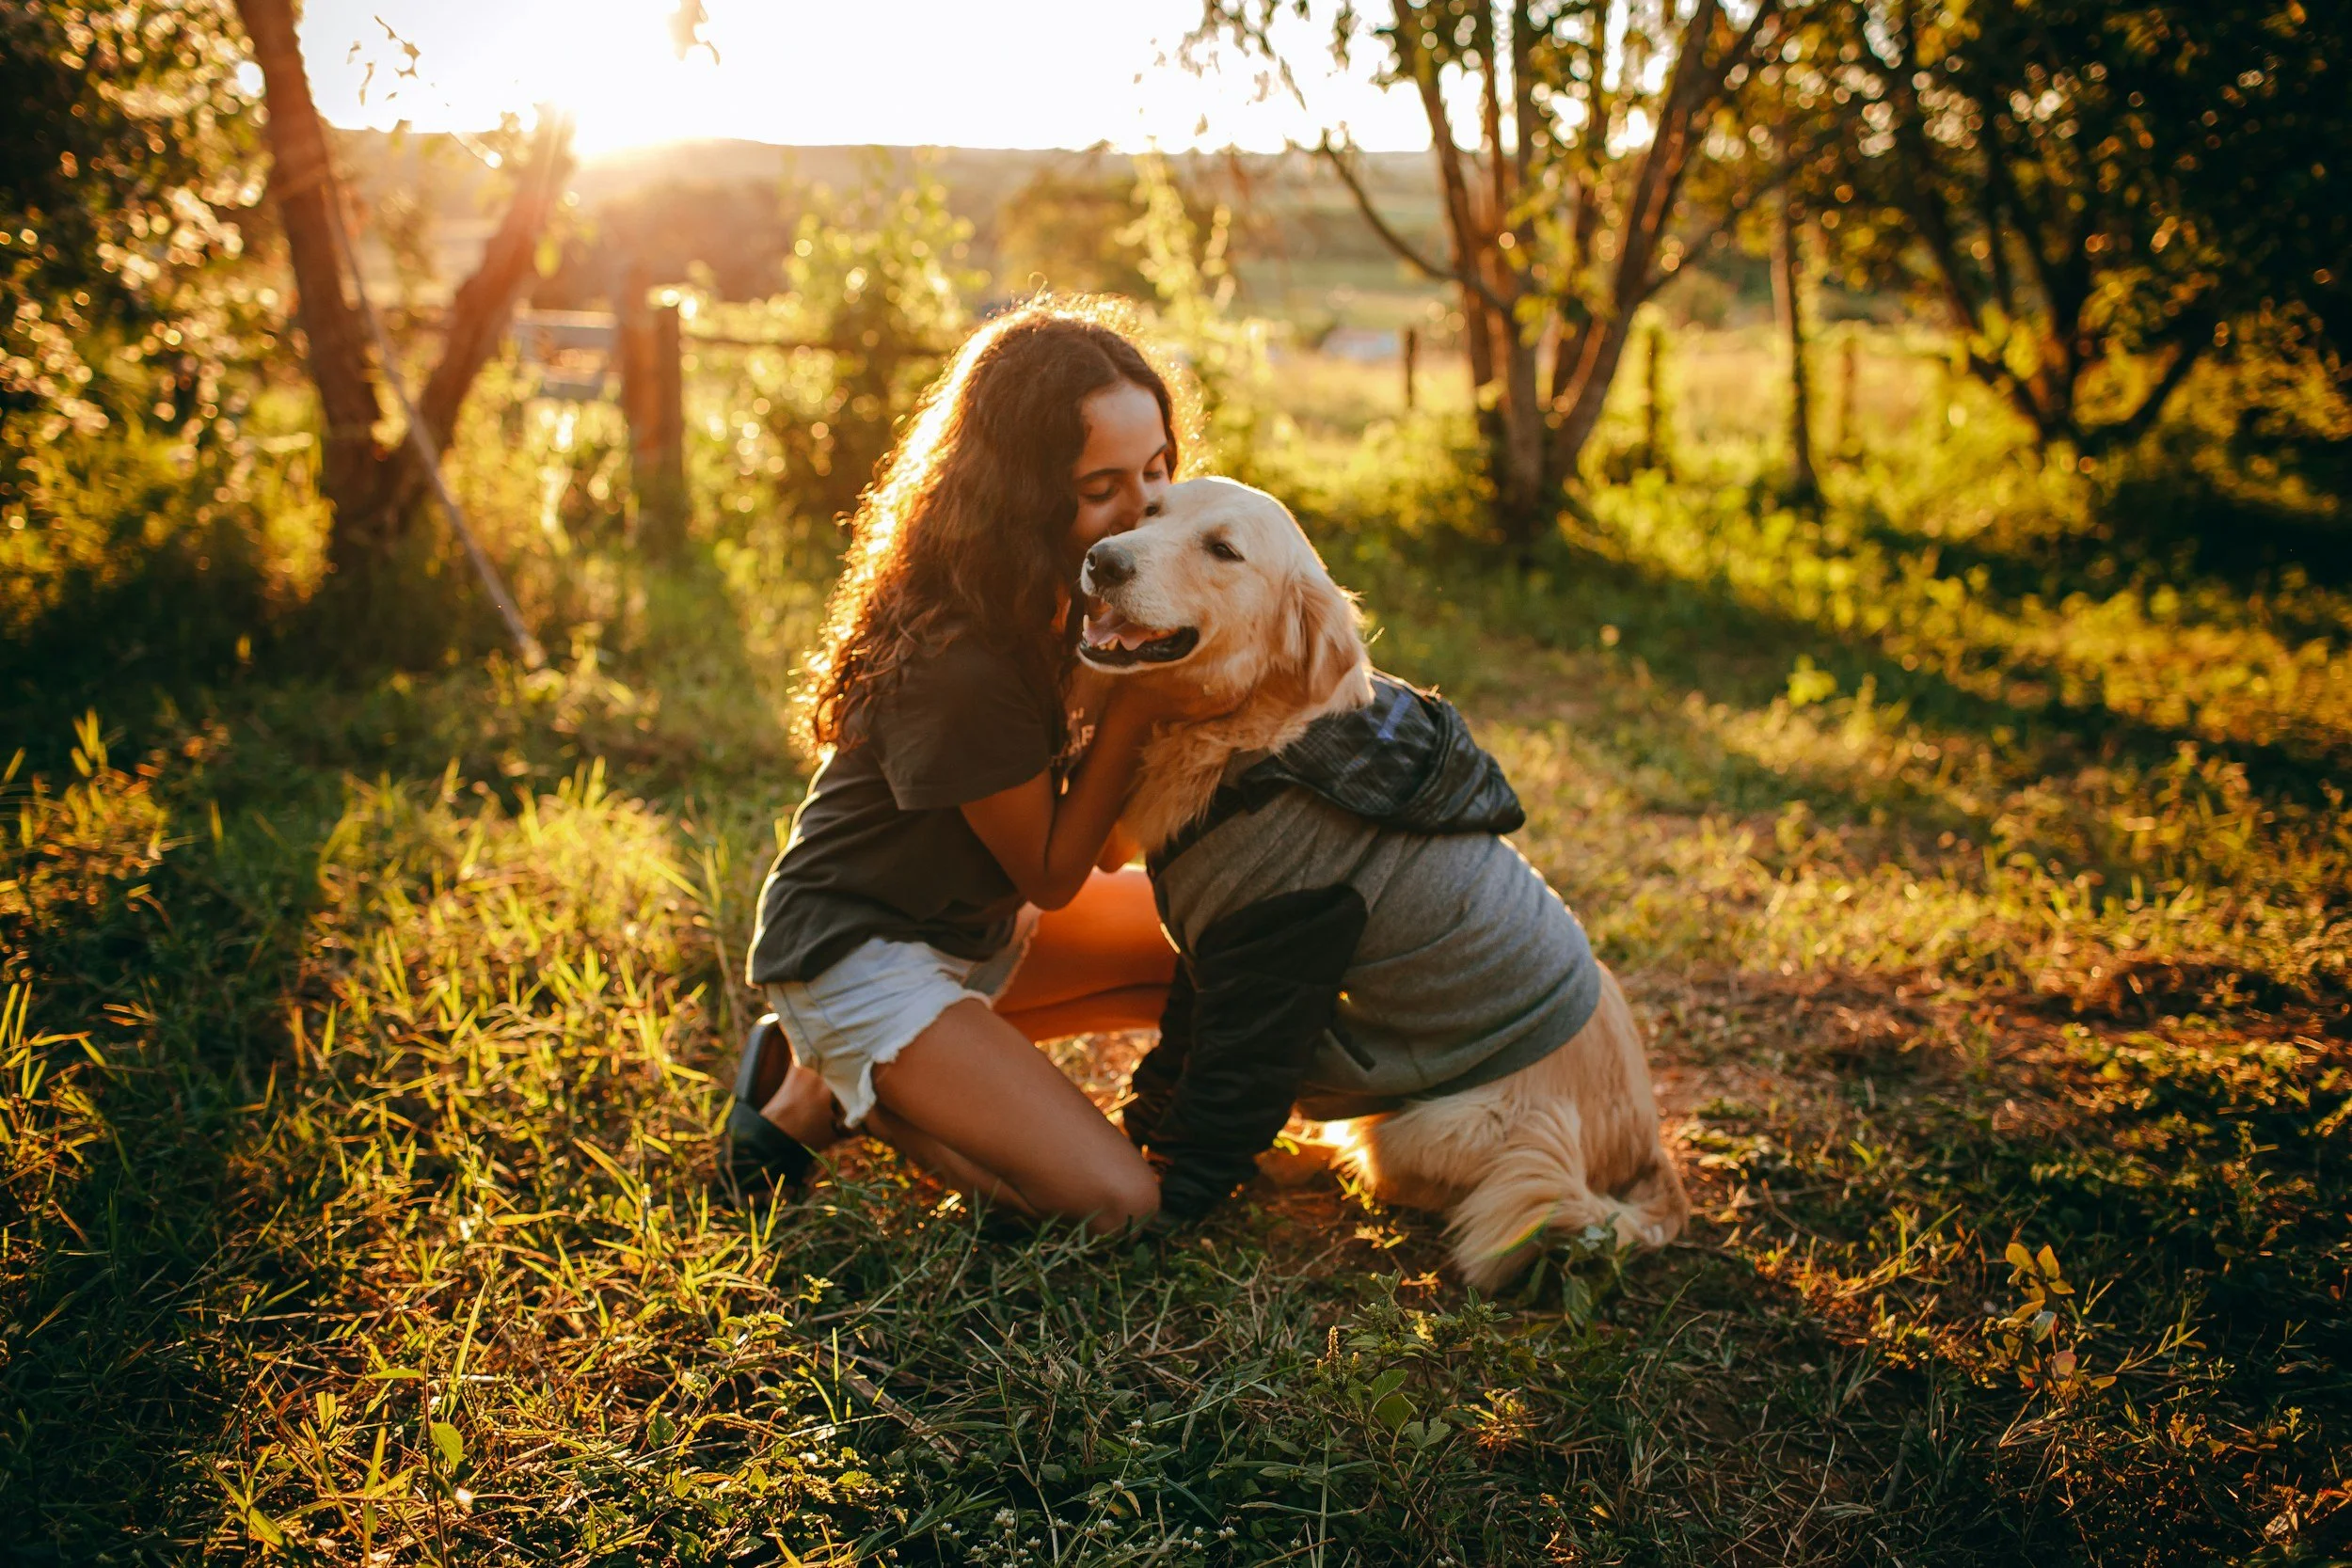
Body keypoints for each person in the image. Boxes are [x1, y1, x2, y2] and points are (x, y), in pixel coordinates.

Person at [731, 298, 1206, 1233]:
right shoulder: (963, 658)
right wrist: (1139, 696)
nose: (1145, 505)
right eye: (1100, 485)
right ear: (1023, 493)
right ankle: (841, 1087)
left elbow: (1107, 850)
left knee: (1213, 950)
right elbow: (1053, 871)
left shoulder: (1073, 593)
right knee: (1114, 1205)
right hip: (855, 950)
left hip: (974, 932)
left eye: (1156, 468)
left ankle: (841, 1081)